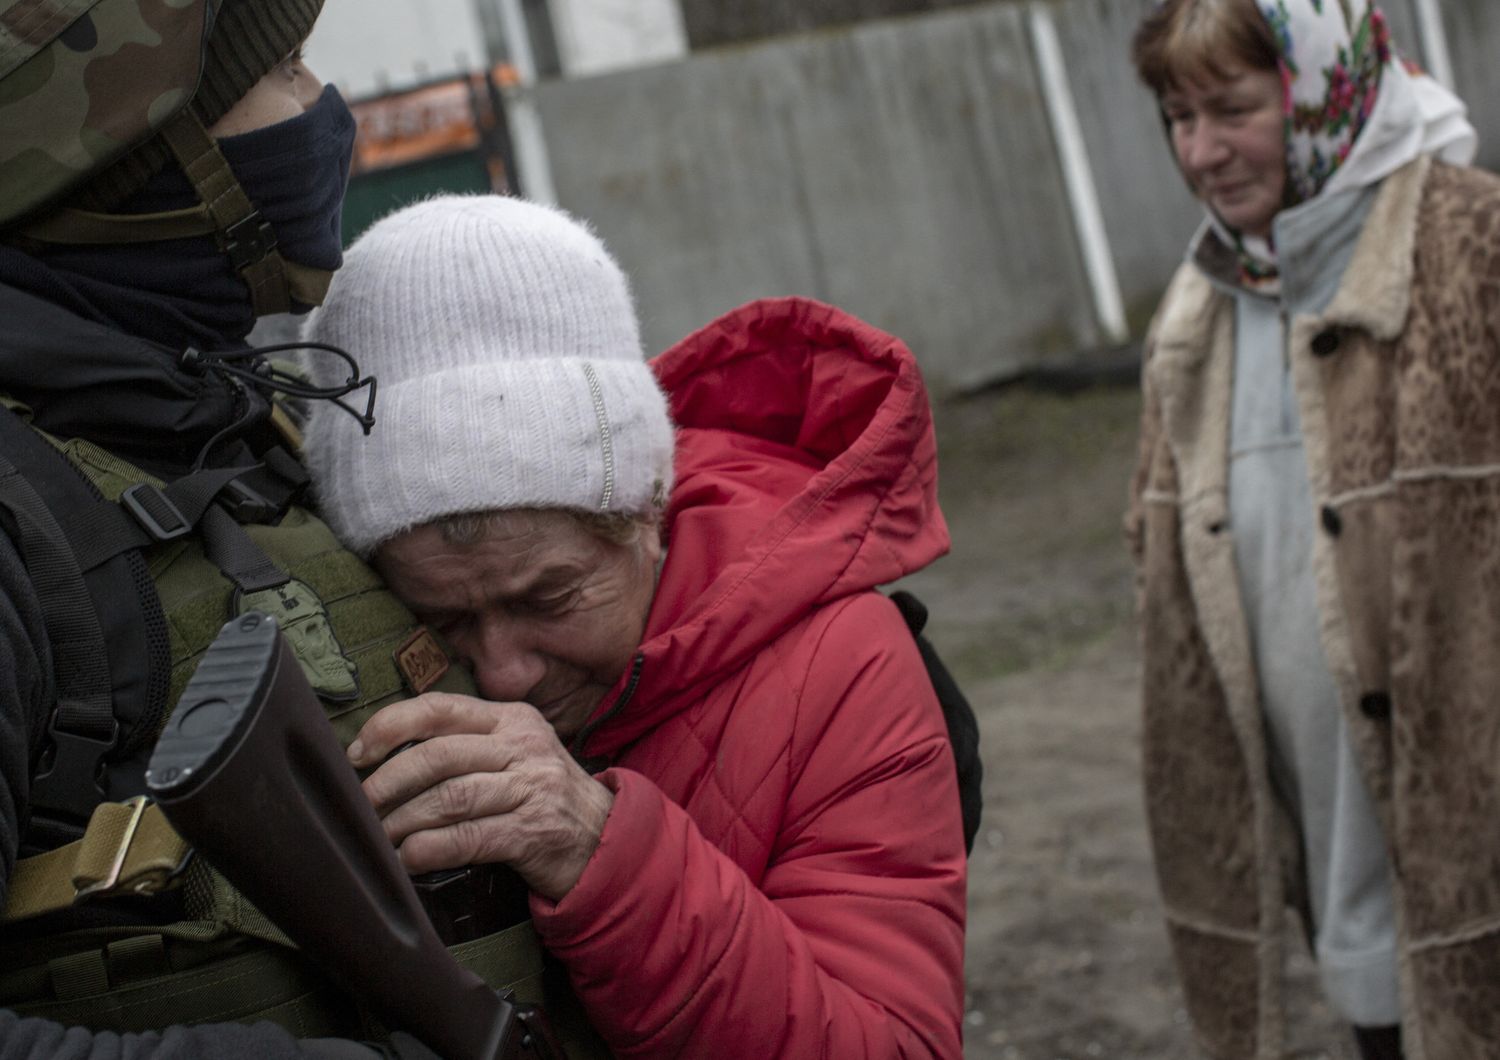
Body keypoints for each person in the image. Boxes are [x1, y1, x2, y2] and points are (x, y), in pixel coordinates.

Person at [0, 2, 581, 1056]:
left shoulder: (237, 423)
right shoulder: (19, 523)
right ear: (134, 158)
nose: (324, 110)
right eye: (286, 70)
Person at [297, 194, 969, 1057]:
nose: (503, 674)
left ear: (648, 513)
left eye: (548, 599)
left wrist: (599, 855)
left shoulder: (840, 667)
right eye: (442, 618)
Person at [1126, 1, 1498, 1058]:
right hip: (1355, 909)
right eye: (1177, 117)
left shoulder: (1475, 250)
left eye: (1234, 109)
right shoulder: (1197, 318)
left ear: (1327, 91)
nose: (1202, 152)